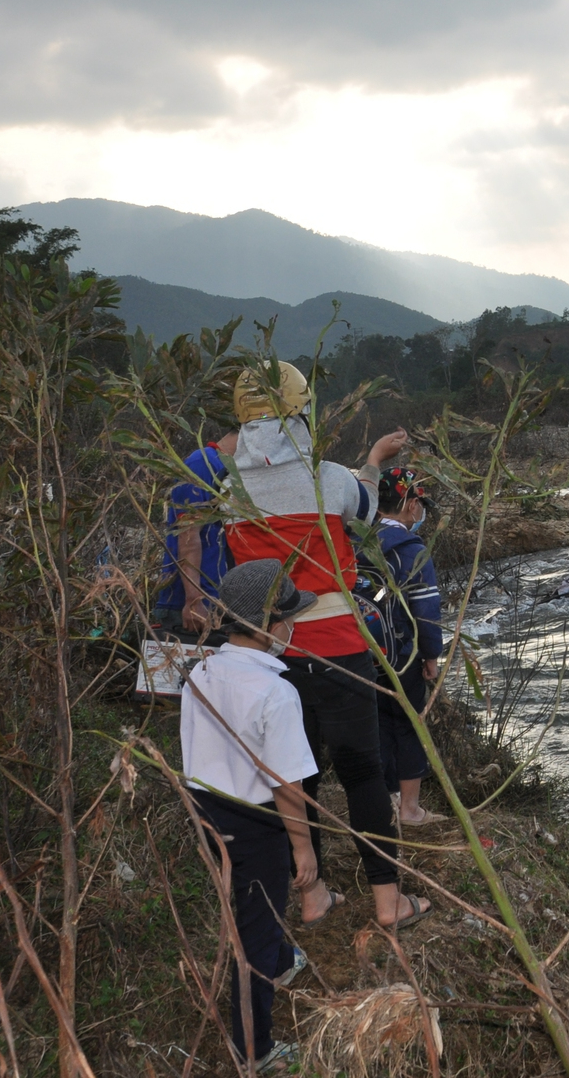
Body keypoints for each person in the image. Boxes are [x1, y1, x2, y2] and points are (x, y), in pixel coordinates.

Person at [221, 360, 429, 930]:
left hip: (273, 658)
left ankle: (314, 897)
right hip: (338, 648)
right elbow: (365, 513)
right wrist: (373, 463)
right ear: (301, 411)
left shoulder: (227, 490)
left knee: (296, 775)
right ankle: (389, 903)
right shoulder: (327, 479)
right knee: (362, 774)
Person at [180, 560, 321, 1074]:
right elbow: (288, 785)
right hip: (257, 818)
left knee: (250, 902)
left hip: (207, 807)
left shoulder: (202, 670)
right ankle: (254, 1050)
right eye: (288, 618)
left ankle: (283, 964)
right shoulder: (276, 693)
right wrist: (301, 850)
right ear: (268, 627)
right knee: (255, 929)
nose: (293, 627)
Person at [362, 467, 442, 827]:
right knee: (409, 727)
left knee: (375, 727)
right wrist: (431, 656)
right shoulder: (411, 550)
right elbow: (426, 609)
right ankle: (410, 810)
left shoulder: (357, 540)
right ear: (411, 505)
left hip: (362, 654)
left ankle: (386, 802)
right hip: (403, 654)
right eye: (420, 503)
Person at [152, 430, 239, 637]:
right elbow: (188, 535)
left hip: (219, 598)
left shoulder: (230, 469)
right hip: (191, 603)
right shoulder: (203, 464)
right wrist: (194, 599)